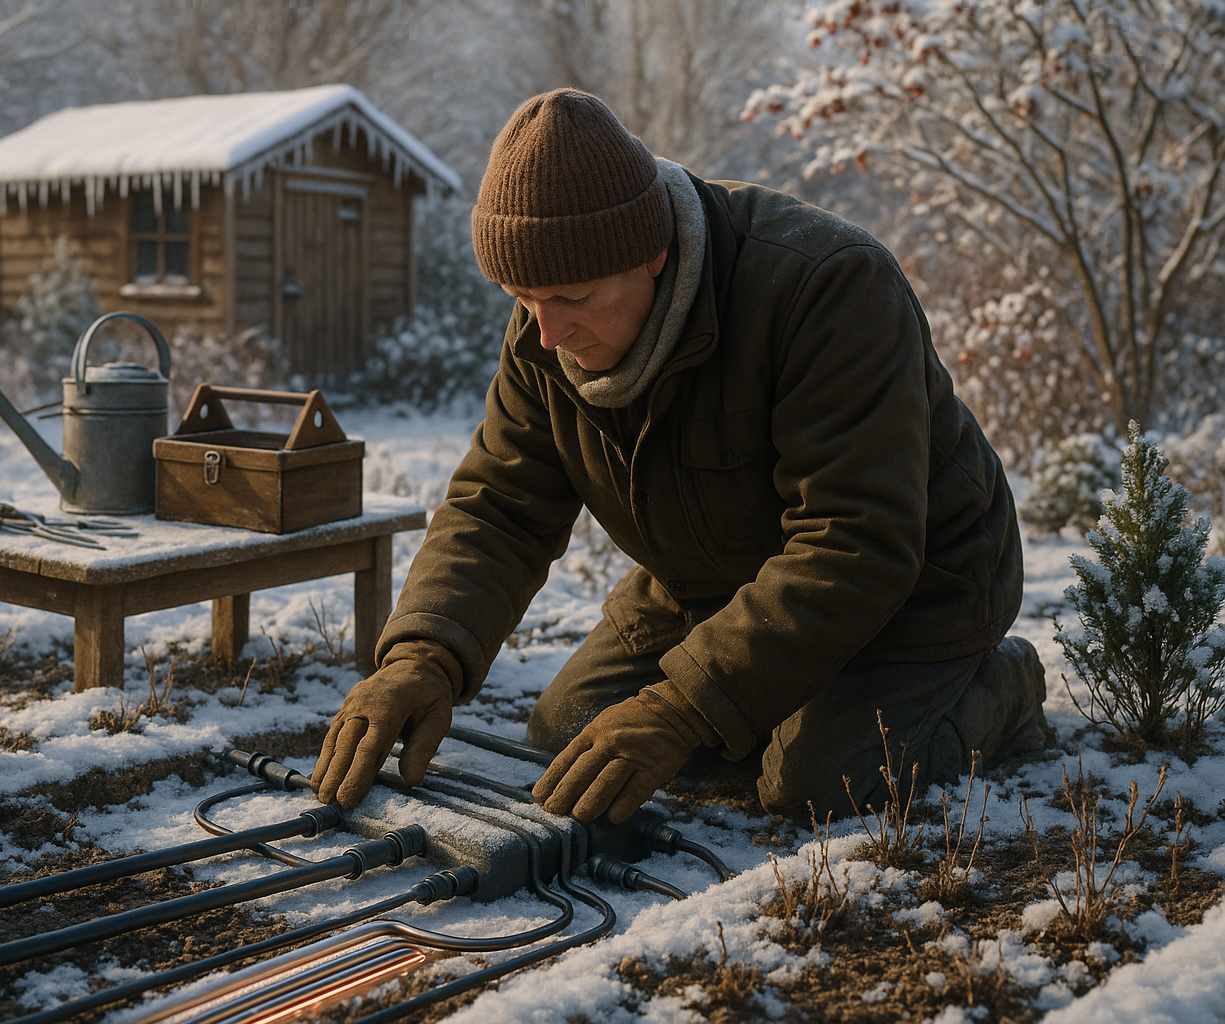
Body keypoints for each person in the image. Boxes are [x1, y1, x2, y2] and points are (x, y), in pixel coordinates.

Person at [310, 88, 1048, 825]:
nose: (546, 333)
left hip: (919, 582)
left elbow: (856, 542)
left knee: (818, 787)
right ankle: (769, 698)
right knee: (565, 736)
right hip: (714, 576)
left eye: (574, 297)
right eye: (521, 296)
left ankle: (999, 687)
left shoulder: (828, 286)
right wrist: (422, 656)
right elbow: (501, 506)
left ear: (653, 255)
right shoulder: (549, 318)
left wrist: (683, 707)